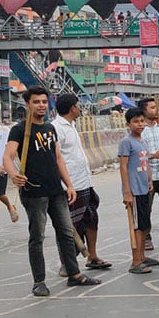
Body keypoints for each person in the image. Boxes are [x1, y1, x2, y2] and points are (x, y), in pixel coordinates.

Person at [4, 87, 100, 295]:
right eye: (36, 102)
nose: (40, 105)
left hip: (56, 190)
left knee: (66, 233)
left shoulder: (49, 128)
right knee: (37, 237)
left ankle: (74, 274)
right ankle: (39, 281)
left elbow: (58, 158)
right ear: (27, 104)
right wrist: (14, 176)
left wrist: (69, 185)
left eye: (44, 102)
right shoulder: (19, 130)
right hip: (34, 192)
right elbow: (8, 156)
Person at [53, 94, 111, 274]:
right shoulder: (56, 128)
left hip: (84, 181)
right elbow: (57, 158)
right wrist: (66, 184)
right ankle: (67, 263)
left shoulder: (72, 125)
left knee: (91, 218)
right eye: (78, 105)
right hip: (71, 185)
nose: (80, 108)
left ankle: (92, 256)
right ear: (72, 108)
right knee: (69, 226)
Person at [119, 107, 159, 274]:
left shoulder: (142, 141)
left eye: (142, 121)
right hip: (134, 191)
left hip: (144, 188)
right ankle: (135, 260)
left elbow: (145, 162)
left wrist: (150, 180)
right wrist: (127, 192)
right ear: (128, 124)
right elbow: (123, 167)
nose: (140, 124)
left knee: (144, 225)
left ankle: (142, 256)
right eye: (136, 122)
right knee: (136, 226)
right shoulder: (126, 142)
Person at [139, 97, 159, 251]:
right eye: (152, 108)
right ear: (144, 110)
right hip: (146, 176)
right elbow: (136, 153)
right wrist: (152, 155)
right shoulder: (140, 129)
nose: (155, 110)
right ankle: (146, 237)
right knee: (146, 209)